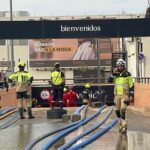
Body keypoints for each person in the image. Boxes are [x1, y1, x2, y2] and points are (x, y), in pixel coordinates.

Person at [108, 58, 134, 133]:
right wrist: (113, 74)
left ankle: (124, 126)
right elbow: (109, 81)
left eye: (121, 66)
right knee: (116, 110)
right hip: (117, 95)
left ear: (123, 66)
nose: (119, 67)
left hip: (125, 95)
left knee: (122, 110)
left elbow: (131, 85)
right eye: (118, 66)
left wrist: (131, 95)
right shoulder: (115, 74)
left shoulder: (127, 74)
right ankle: (120, 123)